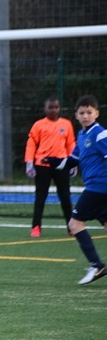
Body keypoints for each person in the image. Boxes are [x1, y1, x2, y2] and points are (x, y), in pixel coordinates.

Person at [48, 95, 107, 285]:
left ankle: (96, 265)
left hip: (98, 187)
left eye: (89, 112)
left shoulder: (100, 134)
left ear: (97, 113)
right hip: (98, 188)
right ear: (76, 115)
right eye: (82, 113)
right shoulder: (82, 135)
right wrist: (53, 162)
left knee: (74, 225)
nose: (85, 116)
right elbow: (72, 161)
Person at [24, 95, 76, 237]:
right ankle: (36, 227)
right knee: (40, 197)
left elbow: (71, 144)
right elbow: (31, 143)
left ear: (59, 108)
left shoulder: (66, 124)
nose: (53, 110)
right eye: (50, 107)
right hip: (43, 165)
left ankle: (71, 227)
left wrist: (73, 163)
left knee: (65, 197)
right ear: (45, 109)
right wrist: (29, 162)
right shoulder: (38, 125)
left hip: (61, 164)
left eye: (56, 107)